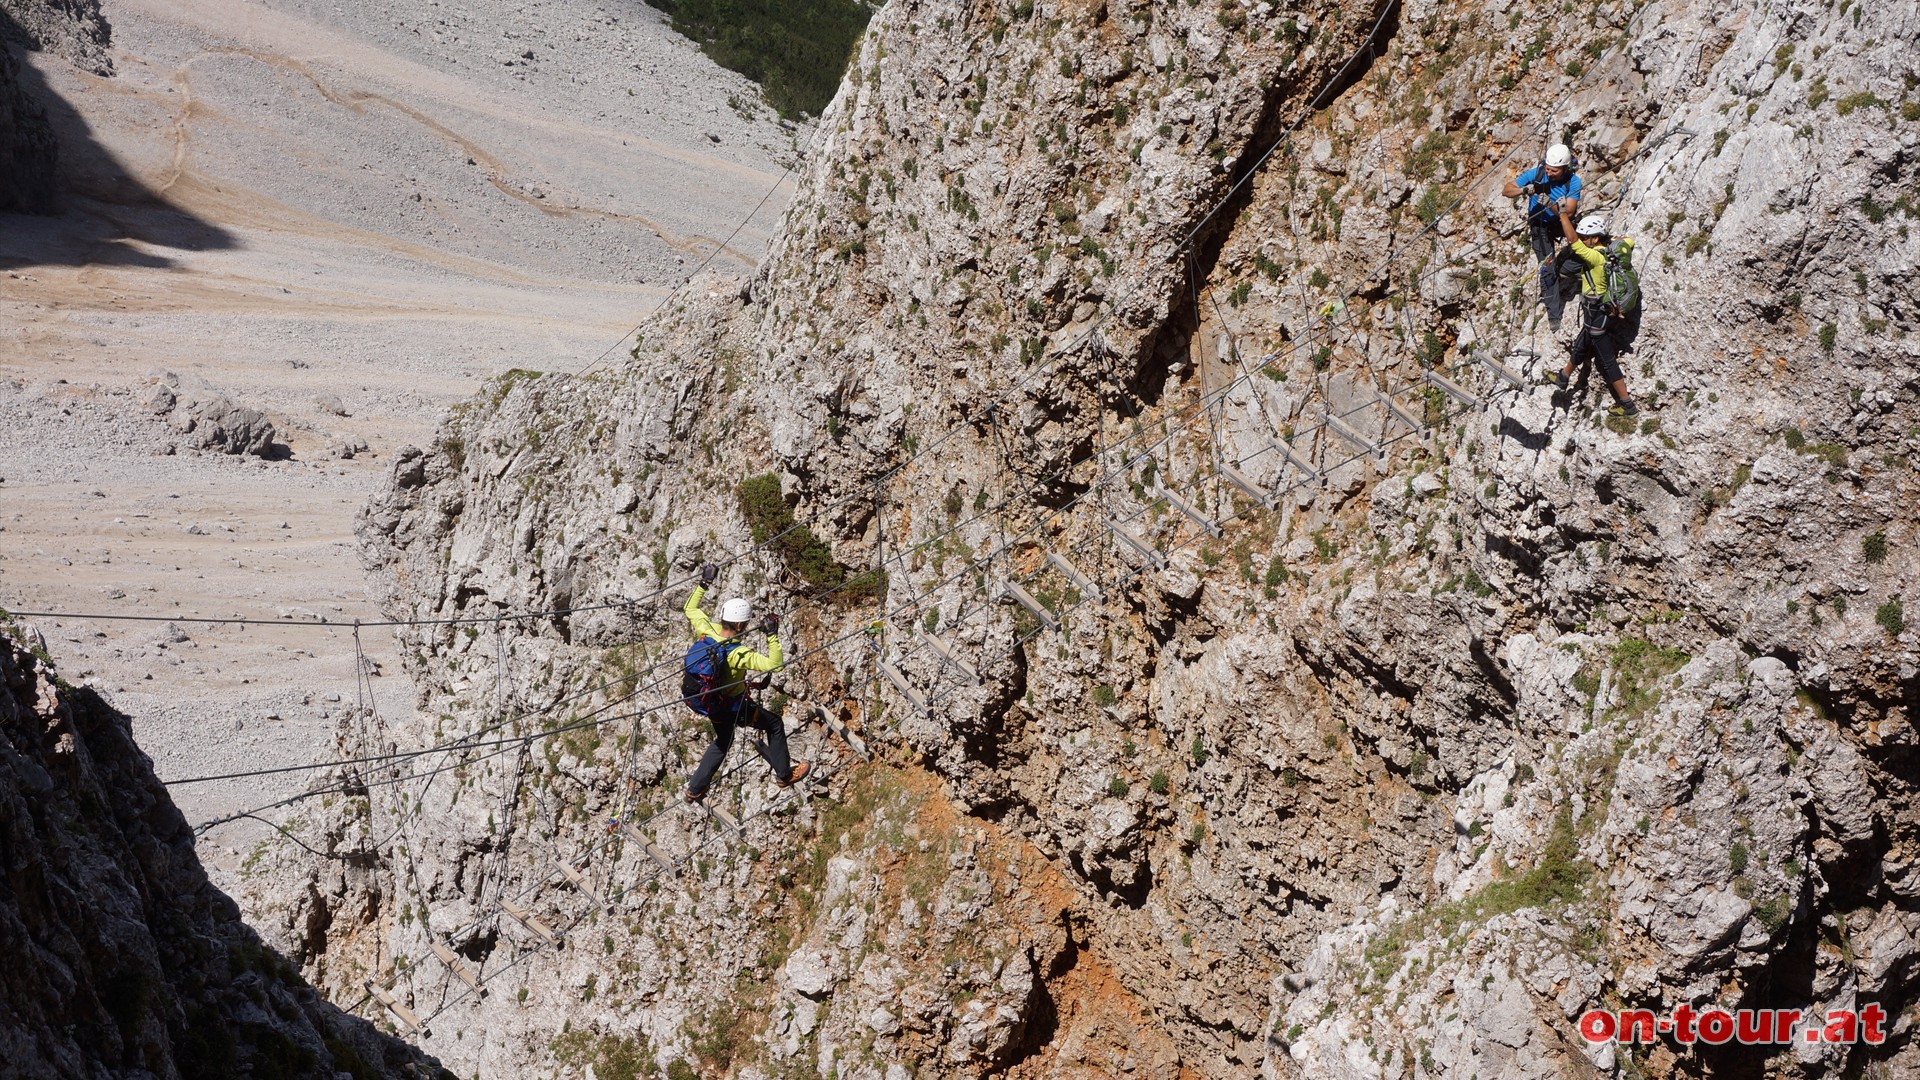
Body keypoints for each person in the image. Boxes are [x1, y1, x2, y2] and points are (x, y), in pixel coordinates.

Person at [681, 563, 808, 801]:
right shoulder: (738, 654)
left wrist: (704, 583)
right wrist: (771, 635)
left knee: (723, 740)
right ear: (740, 625)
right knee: (774, 725)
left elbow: (690, 608)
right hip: (731, 706)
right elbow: (775, 664)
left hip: (708, 702)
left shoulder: (706, 629)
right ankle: (784, 775)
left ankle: (694, 789)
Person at [1548, 203, 1641, 416]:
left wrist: (1562, 214)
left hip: (1596, 311)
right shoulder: (1608, 253)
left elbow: (1571, 241)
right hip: (1600, 311)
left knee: (1606, 359)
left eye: (1585, 238)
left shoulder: (1595, 257)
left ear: (1595, 239)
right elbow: (1629, 241)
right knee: (1583, 340)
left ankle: (1627, 405)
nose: (1581, 240)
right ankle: (1563, 376)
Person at [1502, 144, 1582, 330]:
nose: (1549, 172)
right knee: (1546, 268)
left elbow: (1568, 212)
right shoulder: (1537, 174)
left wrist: (1550, 204)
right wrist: (1524, 190)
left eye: (1553, 170)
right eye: (1547, 168)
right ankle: (1554, 315)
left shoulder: (1573, 182)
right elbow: (1507, 190)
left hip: (1560, 221)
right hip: (1539, 226)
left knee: (1584, 244)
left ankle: (1566, 269)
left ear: (1564, 169)